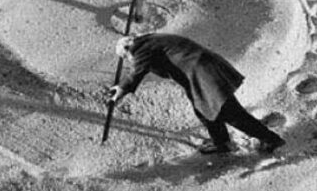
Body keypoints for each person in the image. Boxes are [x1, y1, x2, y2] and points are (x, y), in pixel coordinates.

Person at [107, 34, 285, 154]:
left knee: (229, 112)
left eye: (125, 57)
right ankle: (221, 143)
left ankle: (271, 139)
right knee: (203, 110)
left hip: (203, 74)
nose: (128, 60)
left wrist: (120, 91)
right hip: (200, 72)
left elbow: (137, 72)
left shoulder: (139, 48)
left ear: (127, 48)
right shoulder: (150, 40)